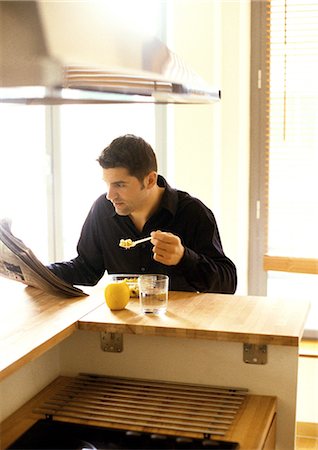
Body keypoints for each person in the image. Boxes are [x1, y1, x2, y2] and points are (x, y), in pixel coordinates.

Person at [48, 134, 237, 293]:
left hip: (178, 329)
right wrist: (38, 273)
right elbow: (86, 269)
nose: (110, 195)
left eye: (120, 185)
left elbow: (228, 283)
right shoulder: (102, 210)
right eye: (107, 184)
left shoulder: (192, 213)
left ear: (150, 180)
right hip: (123, 326)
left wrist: (184, 257)